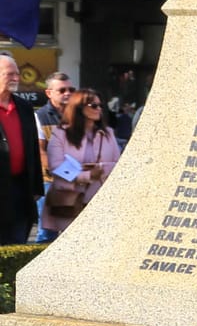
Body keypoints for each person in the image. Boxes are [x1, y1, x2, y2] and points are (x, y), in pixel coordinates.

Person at [39, 87, 121, 236]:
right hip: (69, 198)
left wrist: (100, 169)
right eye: (94, 106)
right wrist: (87, 175)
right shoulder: (61, 133)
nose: (99, 109)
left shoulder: (108, 133)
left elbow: (119, 164)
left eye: (100, 106)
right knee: (69, 240)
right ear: (79, 107)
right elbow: (55, 165)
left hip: (99, 198)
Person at [0, 56, 43, 245]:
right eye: (10, 74)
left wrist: (36, 187)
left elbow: (34, 149)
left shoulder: (24, 107)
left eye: (17, 74)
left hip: (20, 189)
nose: (16, 78)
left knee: (17, 242)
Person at [31, 72, 74, 242]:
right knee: (47, 233)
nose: (68, 93)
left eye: (71, 89)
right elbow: (41, 151)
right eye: (62, 90)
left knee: (75, 231)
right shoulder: (39, 116)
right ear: (49, 93)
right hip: (50, 182)